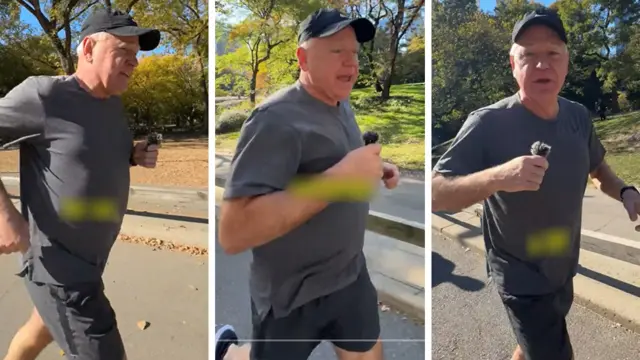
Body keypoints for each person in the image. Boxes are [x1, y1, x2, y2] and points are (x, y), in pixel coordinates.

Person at [432, 7, 640, 360]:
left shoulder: (577, 116)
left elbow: (597, 167)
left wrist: (625, 191)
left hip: (563, 265)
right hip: (520, 278)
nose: (542, 64)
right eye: (529, 55)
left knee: (533, 346)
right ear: (514, 66)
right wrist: (500, 176)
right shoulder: (487, 123)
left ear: (566, 62)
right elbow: (435, 193)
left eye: (552, 54)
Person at [216, 8, 400, 360]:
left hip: (350, 275)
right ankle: (227, 352)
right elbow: (233, 232)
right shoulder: (273, 120)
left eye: (355, 53)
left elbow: (336, 157)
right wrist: (339, 179)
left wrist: (377, 167)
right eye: (336, 52)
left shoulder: (340, 102)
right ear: (303, 57)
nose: (350, 63)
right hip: (291, 296)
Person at [0, 7, 161, 360]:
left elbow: (88, 154)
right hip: (60, 270)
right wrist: (4, 214)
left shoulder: (112, 106)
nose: (134, 63)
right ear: (88, 48)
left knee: (37, 332)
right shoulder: (43, 96)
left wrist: (132, 154)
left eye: (136, 55)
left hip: (91, 261)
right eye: (124, 52)